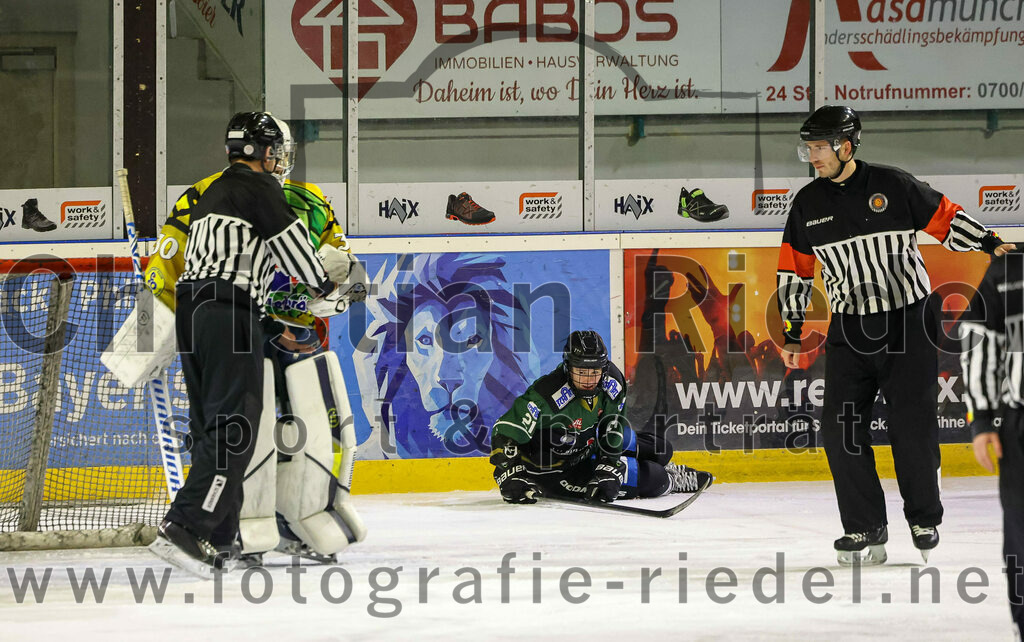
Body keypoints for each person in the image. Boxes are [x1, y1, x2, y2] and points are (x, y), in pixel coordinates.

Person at [776, 105, 1015, 566]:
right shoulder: (808, 203)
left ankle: (923, 516)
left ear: (846, 146)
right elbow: (795, 269)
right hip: (850, 327)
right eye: (807, 147)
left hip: (908, 319)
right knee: (840, 430)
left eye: (820, 147)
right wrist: (791, 329)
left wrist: (987, 242)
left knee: (912, 424)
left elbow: (945, 217)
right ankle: (864, 526)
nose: (812, 156)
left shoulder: (893, 184)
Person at [148, 112, 350, 575]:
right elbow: (299, 257)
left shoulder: (212, 193)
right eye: (276, 149)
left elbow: (218, 266)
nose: (281, 158)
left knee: (211, 427)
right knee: (235, 429)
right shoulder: (262, 189)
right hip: (227, 313)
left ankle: (218, 536)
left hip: (197, 315)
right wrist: (325, 284)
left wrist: (267, 327)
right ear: (263, 151)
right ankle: (185, 527)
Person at [490, 330, 713, 505]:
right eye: (581, 372)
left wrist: (609, 466)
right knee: (655, 479)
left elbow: (612, 428)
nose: (589, 379)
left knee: (660, 449)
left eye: (595, 371)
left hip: (590, 444)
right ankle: (671, 480)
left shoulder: (612, 383)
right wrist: (509, 476)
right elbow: (504, 432)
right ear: (567, 368)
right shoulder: (545, 394)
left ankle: (669, 467)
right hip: (559, 471)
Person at [960, 248, 1024, 637]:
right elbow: (980, 342)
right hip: (1021, 424)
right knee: (1020, 530)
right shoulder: (1009, 270)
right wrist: (982, 418)